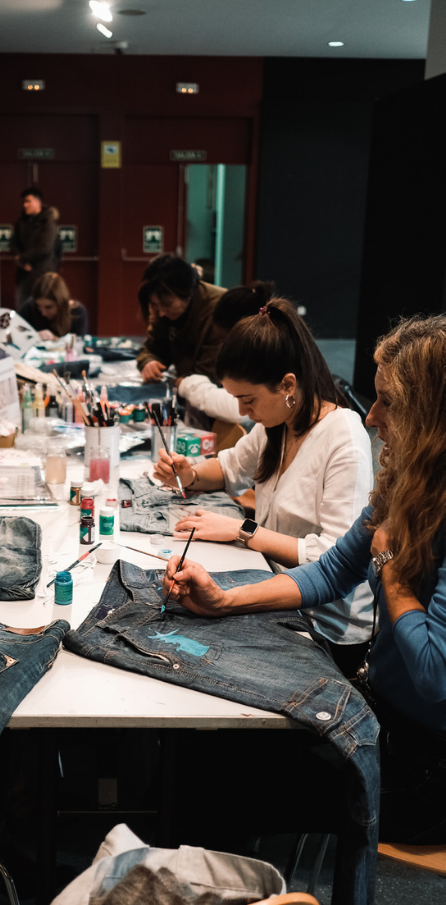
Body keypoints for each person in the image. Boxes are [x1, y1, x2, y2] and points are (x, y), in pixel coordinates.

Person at [164, 313, 446, 843]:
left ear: (432, 416)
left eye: (389, 401)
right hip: (382, 714)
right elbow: (332, 572)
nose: (373, 416)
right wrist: (224, 600)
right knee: (209, 748)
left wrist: (391, 571)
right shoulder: (406, 487)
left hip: (425, 766)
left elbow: (435, 676)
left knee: (218, 780)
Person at [154, 298, 374, 675]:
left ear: (288, 384)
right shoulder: (279, 424)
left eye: (248, 399)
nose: (241, 411)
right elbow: (228, 468)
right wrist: (188, 473)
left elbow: (334, 561)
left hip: (326, 627)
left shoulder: (345, 438)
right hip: (272, 585)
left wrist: (243, 531)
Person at [176, 281, 275, 425]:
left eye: (224, 340)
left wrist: (188, 385)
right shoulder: (247, 356)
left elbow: (238, 411)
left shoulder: (271, 357)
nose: (222, 347)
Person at [135, 254, 227, 383]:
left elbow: (209, 373)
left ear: (187, 293)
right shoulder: (165, 311)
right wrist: (148, 362)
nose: (161, 313)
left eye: (166, 304)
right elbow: (152, 348)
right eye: (155, 305)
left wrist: (182, 383)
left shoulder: (220, 308)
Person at [11, 187, 58, 308]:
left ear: (38, 202)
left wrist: (22, 258)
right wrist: (19, 259)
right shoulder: (21, 222)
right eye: (24, 202)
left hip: (42, 275)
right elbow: (13, 243)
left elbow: (45, 247)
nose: (25, 205)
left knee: (40, 311)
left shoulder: (48, 222)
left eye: (28, 201)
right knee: (21, 311)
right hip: (23, 275)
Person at [19, 272, 88, 341]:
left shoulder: (77, 312)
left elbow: (79, 344)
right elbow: (15, 333)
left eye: (48, 307)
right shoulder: (30, 306)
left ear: (61, 303)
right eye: (38, 306)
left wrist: (55, 339)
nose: (43, 313)